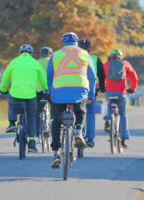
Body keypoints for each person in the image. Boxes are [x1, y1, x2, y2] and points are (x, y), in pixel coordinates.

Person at [47, 32, 96, 168]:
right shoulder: (85, 54)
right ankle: (78, 131)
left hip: (59, 90)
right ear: (76, 42)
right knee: (81, 110)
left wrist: (50, 90)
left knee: (57, 122)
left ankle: (56, 153)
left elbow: (49, 75)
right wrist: (91, 93)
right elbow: (92, 76)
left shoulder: (55, 55)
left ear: (63, 42)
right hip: (79, 88)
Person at [0, 44, 48, 153]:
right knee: (31, 116)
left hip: (16, 93)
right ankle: (32, 143)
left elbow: (5, 77)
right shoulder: (36, 63)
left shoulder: (14, 62)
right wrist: (46, 89)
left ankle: (12, 123)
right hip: (30, 95)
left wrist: (3, 89)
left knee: (11, 100)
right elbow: (43, 79)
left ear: (20, 53)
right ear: (31, 54)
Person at [103, 49, 138, 148]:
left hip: (109, 93)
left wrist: (101, 87)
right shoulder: (125, 64)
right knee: (123, 115)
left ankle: (109, 118)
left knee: (110, 104)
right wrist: (132, 88)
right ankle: (124, 138)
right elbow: (134, 77)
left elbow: (100, 77)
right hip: (121, 93)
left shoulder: (106, 64)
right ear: (120, 57)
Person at [78, 39, 105, 148]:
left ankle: (76, 133)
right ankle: (90, 139)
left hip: (78, 90)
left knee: (77, 112)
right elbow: (102, 75)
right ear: (90, 48)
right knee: (90, 114)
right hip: (90, 91)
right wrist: (102, 87)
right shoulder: (95, 59)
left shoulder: (74, 58)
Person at [35, 46, 53, 142]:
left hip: (37, 90)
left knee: (37, 113)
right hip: (49, 90)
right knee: (54, 106)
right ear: (51, 54)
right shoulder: (53, 62)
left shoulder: (36, 62)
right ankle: (52, 120)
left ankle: (37, 137)